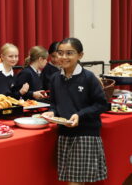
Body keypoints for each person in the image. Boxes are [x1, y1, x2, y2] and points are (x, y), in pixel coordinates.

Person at [42, 38, 108, 184]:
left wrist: (79, 115)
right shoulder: (55, 78)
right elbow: (54, 102)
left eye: (69, 53)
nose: (64, 57)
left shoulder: (89, 78)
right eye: (60, 53)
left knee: (75, 182)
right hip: (64, 133)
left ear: (80, 55)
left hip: (85, 134)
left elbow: (102, 105)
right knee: (71, 180)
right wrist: (52, 112)